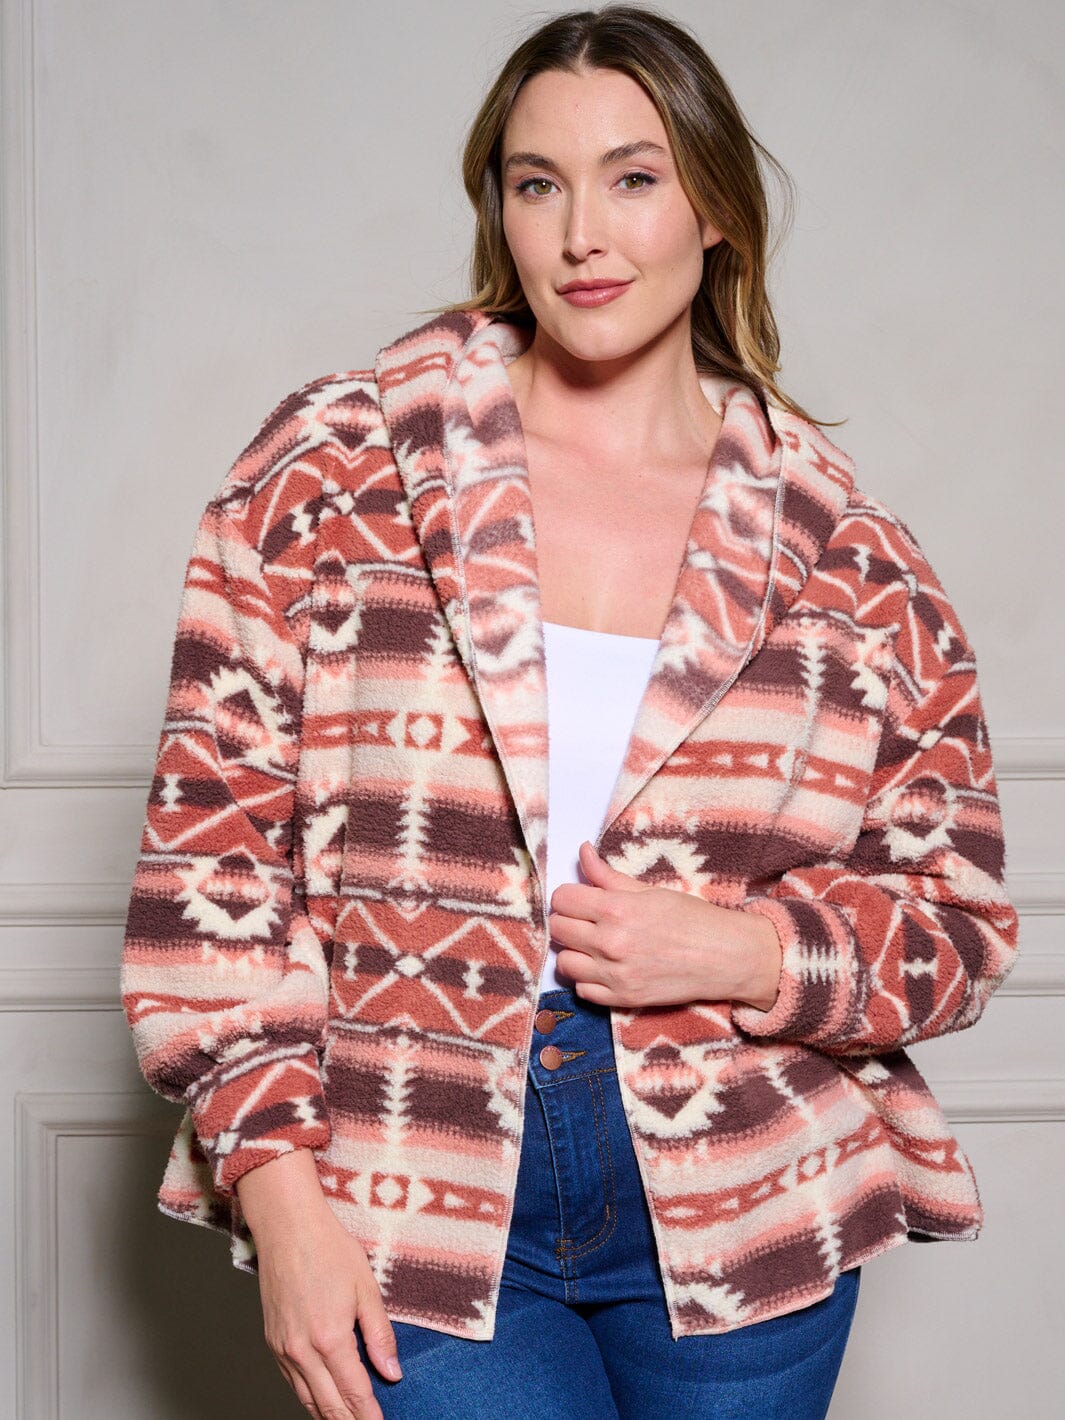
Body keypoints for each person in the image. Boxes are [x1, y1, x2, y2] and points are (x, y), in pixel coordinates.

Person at [119, 5, 1020, 1418]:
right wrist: (279, 1198)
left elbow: (956, 922)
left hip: (741, 1183)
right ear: (500, 208)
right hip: (407, 1155)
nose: (582, 235)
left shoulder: (848, 555)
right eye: (537, 183)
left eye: (633, 178)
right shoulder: (334, 471)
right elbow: (212, 863)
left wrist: (747, 950)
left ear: (713, 208)